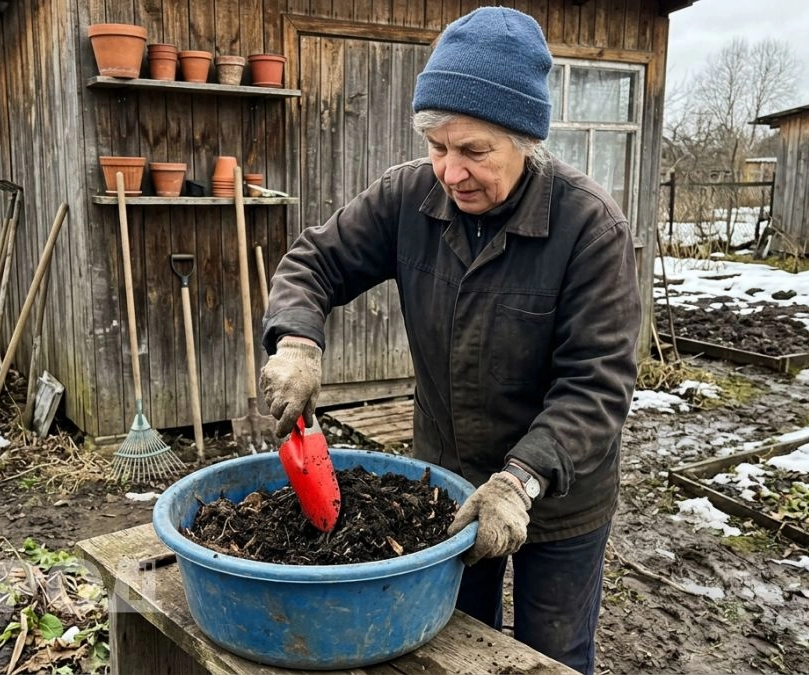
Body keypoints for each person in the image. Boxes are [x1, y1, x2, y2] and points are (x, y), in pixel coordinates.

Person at [258, 7, 639, 674]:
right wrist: (296, 342)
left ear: (526, 140)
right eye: (437, 145)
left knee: (553, 651)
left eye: (474, 151)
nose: (450, 171)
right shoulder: (409, 198)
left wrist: (520, 481)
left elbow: (596, 386)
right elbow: (313, 262)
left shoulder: (589, 228)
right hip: (450, 477)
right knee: (457, 640)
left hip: (559, 489)